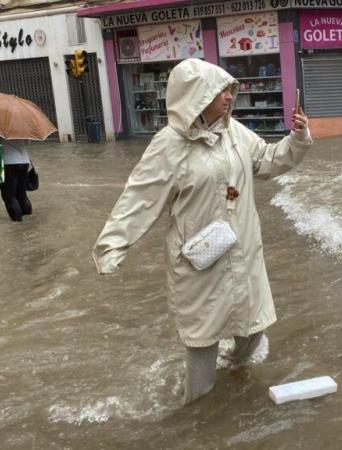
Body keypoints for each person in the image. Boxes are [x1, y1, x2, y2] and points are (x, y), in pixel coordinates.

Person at [92, 59, 313, 404]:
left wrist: (297, 139)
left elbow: (267, 160)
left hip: (243, 250)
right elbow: (139, 197)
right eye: (221, 91)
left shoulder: (234, 133)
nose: (229, 97)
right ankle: (196, 411)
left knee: (253, 327)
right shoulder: (169, 145)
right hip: (200, 260)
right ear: (197, 95)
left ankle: (232, 373)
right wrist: (113, 245)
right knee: (202, 339)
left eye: (229, 90)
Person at [0, 132, 32, 221]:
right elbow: (27, 142)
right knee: (21, 191)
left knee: (9, 194)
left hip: (8, 162)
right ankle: (27, 214)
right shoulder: (21, 125)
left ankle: (17, 220)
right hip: (24, 161)